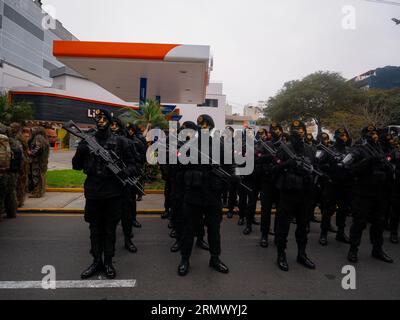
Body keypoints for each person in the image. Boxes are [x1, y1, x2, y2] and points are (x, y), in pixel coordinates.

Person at [72, 109, 137, 279]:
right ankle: (96, 261)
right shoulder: (88, 141)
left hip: (113, 193)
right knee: (94, 229)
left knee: (109, 230)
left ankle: (108, 261)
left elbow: (133, 165)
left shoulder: (122, 142)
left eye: (103, 118)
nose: (100, 121)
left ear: (109, 121)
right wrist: (82, 150)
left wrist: (124, 172)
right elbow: (76, 166)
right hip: (93, 192)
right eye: (97, 118)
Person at [177, 114, 230, 276]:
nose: (203, 128)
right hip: (193, 195)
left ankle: (215, 258)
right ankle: (185, 259)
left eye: (207, 125)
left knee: (214, 230)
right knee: (188, 230)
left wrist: (228, 179)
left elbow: (229, 167)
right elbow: (179, 166)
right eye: (201, 125)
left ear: (212, 127)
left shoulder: (220, 146)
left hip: (213, 196)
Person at [342, 125, 394, 264]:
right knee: (359, 222)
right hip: (363, 193)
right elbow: (347, 168)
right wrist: (367, 161)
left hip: (380, 193)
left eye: (376, 133)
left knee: (379, 222)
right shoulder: (358, 150)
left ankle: (377, 249)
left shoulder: (381, 149)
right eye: (371, 134)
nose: (375, 136)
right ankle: (353, 249)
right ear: (365, 136)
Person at [274, 120, 316, 272]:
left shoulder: (310, 149)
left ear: (305, 131)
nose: (298, 132)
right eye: (295, 129)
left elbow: (314, 168)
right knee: (283, 227)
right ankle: (281, 254)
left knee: (303, 227)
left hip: (305, 194)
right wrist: (286, 165)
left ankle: (302, 254)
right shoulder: (284, 148)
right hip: (288, 193)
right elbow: (274, 169)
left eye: (301, 129)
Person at [317, 128, 352, 246]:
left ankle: (341, 233)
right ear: (336, 137)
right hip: (332, 184)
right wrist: (329, 170)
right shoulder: (328, 150)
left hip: (346, 185)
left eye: (345, 136)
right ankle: (323, 234)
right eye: (341, 136)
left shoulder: (350, 151)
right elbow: (319, 164)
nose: (343, 138)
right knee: (328, 210)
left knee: (343, 210)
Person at [110, 118, 138, 253]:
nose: (113, 127)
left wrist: (124, 172)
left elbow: (135, 163)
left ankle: (128, 240)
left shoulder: (126, 142)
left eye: (116, 125)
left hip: (124, 184)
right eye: (112, 125)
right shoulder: (104, 142)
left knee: (126, 216)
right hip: (108, 186)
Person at [0, 123, 22, 219]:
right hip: (13, 171)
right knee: (11, 192)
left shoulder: (2, 141)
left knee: (1, 194)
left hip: (2, 171)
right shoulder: (15, 142)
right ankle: (12, 213)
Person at [126, 123, 145, 228]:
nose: (129, 131)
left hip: (134, 170)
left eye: (131, 129)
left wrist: (137, 165)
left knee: (131, 198)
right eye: (128, 129)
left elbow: (143, 155)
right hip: (123, 171)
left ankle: (133, 218)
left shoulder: (139, 140)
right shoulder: (122, 140)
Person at [28, 126, 49, 198]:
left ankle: (37, 193)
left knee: (37, 176)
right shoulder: (43, 138)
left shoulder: (38, 137)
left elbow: (39, 147)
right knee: (41, 176)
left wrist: (31, 153)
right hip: (42, 161)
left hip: (38, 161)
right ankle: (39, 191)